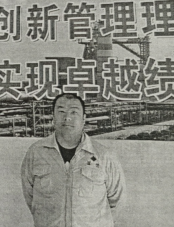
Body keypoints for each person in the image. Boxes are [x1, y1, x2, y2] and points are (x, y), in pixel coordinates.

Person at [21, 93, 125, 227]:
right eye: (61, 112)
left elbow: (117, 201)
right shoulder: (36, 153)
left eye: (74, 112)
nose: (67, 117)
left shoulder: (104, 156)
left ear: (84, 119)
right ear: (53, 117)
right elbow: (30, 197)